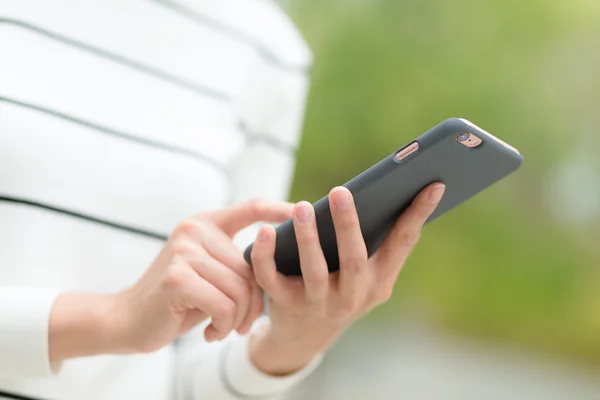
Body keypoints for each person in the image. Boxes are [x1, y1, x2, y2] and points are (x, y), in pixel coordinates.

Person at [0, 1, 445, 399]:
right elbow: (126, 321)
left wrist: (292, 345)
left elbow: (191, 377)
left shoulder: (271, 49)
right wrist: (110, 319)